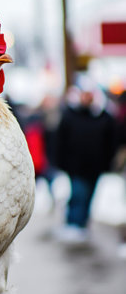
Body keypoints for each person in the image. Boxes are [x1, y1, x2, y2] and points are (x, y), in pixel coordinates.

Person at [55, 82, 116, 243]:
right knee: (78, 194)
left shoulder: (103, 117)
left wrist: (108, 162)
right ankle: (73, 224)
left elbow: (111, 142)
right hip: (75, 166)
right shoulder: (70, 115)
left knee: (88, 195)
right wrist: (61, 161)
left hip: (96, 166)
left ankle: (82, 224)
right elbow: (60, 140)